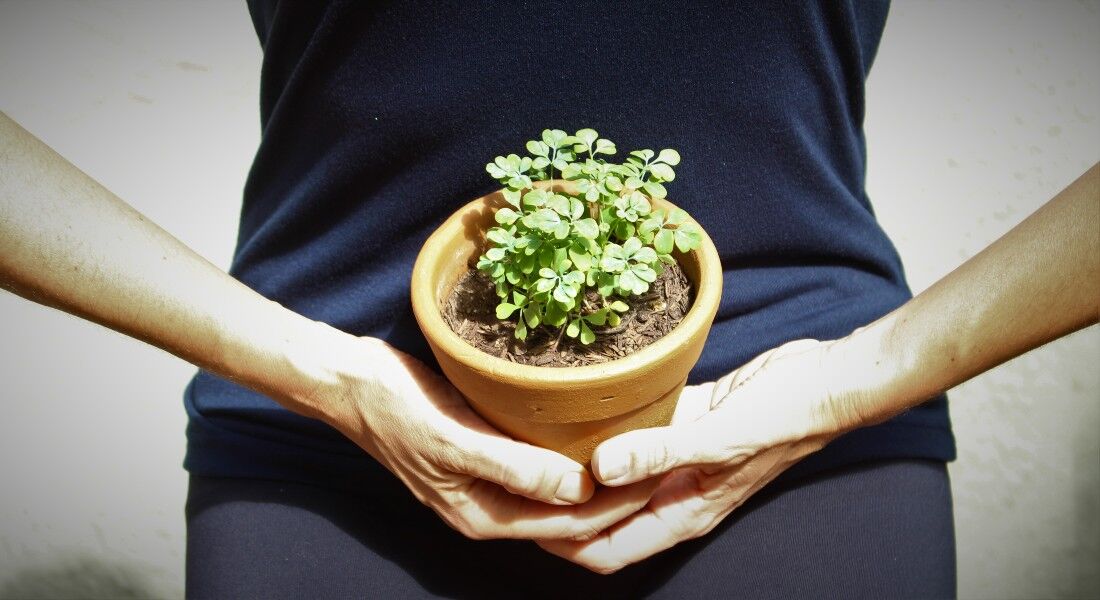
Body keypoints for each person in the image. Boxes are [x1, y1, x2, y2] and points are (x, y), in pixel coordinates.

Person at [1, 1, 1096, 598]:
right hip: (325, 427)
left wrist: (870, 375)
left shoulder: (819, 399)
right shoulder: (326, 395)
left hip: (797, 420)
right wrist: (320, 374)